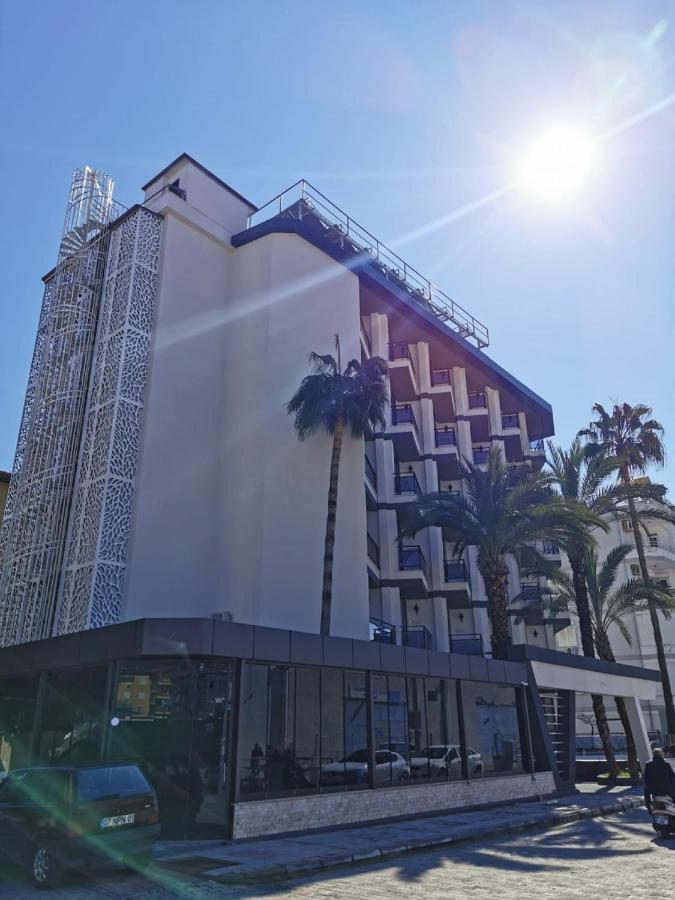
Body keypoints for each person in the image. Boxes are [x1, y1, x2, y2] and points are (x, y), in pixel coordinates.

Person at [644, 748, 675, 812]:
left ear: (653, 754)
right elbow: (672, 777)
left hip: (653, 789)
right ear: (661, 754)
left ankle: (649, 808)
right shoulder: (666, 764)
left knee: (646, 792)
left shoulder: (648, 764)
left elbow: (646, 778)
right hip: (666, 789)